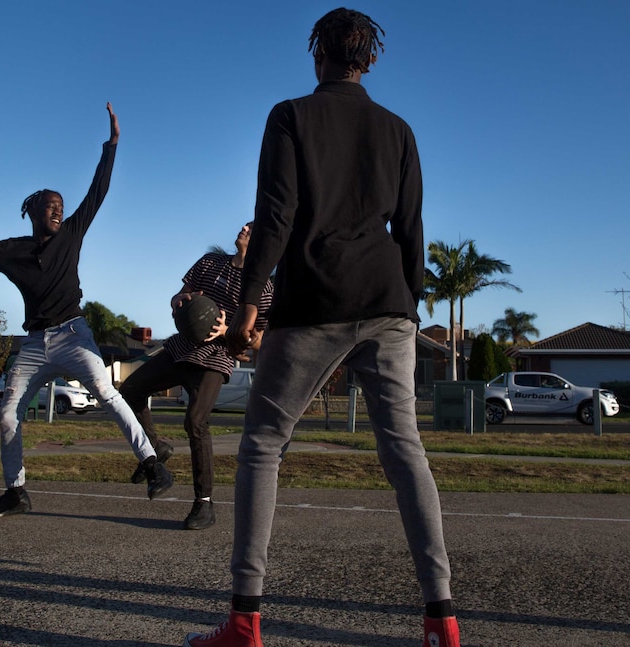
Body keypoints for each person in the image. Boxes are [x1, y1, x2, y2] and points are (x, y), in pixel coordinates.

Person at [184, 9, 460, 647]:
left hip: (315, 302)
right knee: (405, 452)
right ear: (369, 59)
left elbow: (274, 217)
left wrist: (250, 301)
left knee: (262, 445)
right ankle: (442, 620)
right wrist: (408, 307)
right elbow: (412, 231)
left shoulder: (290, 116)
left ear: (318, 54)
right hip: (388, 304)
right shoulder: (399, 130)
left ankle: (246, 621)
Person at [0, 103, 173, 518]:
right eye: (51, 204)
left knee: (105, 392)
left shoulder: (72, 234)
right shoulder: (13, 251)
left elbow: (98, 191)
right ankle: (15, 492)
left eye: (61, 204)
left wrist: (111, 146)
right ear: (33, 211)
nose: (59, 209)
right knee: (7, 413)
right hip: (34, 344)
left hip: (75, 335)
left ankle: (152, 465)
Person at [119, 222, 273, 530]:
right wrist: (178, 301)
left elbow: (261, 340)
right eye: (245, 224)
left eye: (252, 228)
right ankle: (155, 446)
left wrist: (230, 331)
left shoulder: (264, 288)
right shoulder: (209, 262)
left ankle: (204, 504)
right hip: (180, 347)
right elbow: (181, 295)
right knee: (130, 390)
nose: (244, 227)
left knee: (195, 422)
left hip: (216, 357)